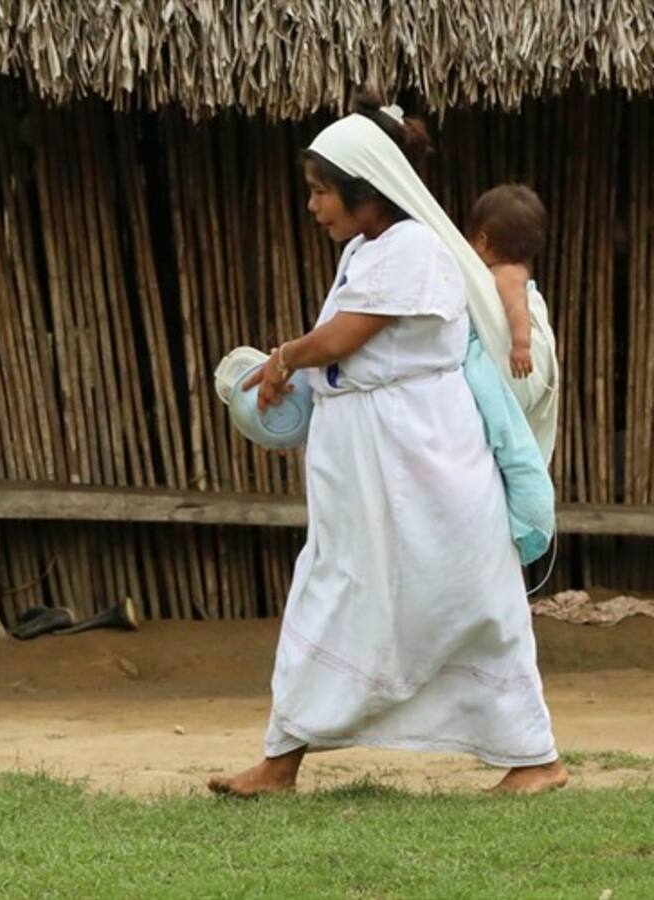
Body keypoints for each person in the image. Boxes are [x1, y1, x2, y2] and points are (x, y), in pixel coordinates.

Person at [208, 94, 568, 797]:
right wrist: (289, 379)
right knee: (333, 590)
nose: (313, 206)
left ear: (366, 188)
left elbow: (345, 339)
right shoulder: (366, 251)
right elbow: (342, 356)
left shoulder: (415, 248)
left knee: (470, 601)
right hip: (369, 468)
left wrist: (285, 359)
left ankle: (536, 757)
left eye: (321, 191)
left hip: (424, 464)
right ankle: (281, 760)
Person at [466, 185, 549, 379]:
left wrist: (521, 346)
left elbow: (517, 309)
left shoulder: (507, 275)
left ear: (481, 240)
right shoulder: (502, 272)